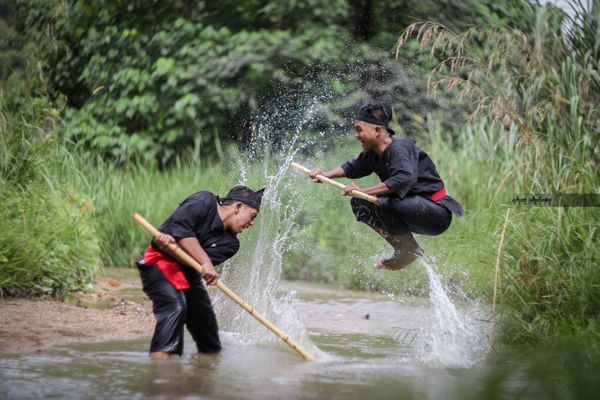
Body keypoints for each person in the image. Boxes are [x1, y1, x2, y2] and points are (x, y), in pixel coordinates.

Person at [309, 98, 463, 270]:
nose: (356, 135)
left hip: (436, 213)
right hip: (413, 209)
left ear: (377, 130)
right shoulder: (372, 153)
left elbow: (403, 179)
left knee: (381, 202)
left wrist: (363, 190)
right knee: (360, 203)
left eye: (359, 130)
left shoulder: (399, 149)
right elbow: (353, 167)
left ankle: (410, 250)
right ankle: (402, 248)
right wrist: (325, 175)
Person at [136, 185, 264, 359]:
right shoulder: (203, 201)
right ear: (238, 207)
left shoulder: (231, 244)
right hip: (159, 262)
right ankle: (162, 373)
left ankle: (208, 366)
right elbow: (181, 232)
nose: (251, 223)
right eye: (252, 216)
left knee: (207, 325)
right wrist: (183, 246)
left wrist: (178, 245)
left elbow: (193, 261)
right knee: (175, 308)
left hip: (188, 273)